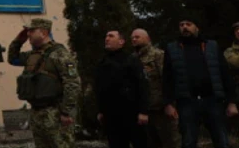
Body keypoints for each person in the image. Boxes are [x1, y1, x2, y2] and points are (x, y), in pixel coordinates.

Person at [162, 18, 238, 148]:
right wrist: (168, 103)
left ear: (197, 27)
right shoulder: (172, 49)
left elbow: (225, 74)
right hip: (187, 102)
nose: (184, 27)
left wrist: (232, 102)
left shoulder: (212, 46)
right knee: (188, 141)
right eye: (181, 25)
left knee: (221, 140)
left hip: (213, 101)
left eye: (188, 24)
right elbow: (167, 78)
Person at [8, 18, 80, 148]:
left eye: (31, 31)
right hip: (37, 112)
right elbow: (12, 58)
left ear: (43, 33)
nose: (28, 34)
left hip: (55, 113)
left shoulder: (60, 54)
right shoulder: (32, 55)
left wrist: (66, 112)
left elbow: (72, 83)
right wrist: (19, 40)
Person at [96, 30, 149, 148]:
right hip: (111, 115)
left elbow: (142, 85)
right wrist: (100, 110)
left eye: (111, 36)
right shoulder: (102, 62)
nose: (107, 39)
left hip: (131, 113)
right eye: (106, 36)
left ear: (121, 41)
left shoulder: (131, 60)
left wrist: (143, 112)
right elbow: (100, 88)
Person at [132, 29, 180, 148]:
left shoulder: (158, 55)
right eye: (132, 38)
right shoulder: (132, 59)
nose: (134, 39)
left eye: (137, 37)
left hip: (161, 109)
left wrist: (169, 103)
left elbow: (168, 80)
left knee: (171, 143)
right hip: (144, 111)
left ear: (147, 39)